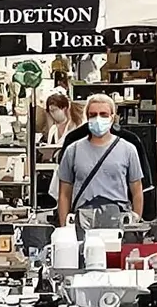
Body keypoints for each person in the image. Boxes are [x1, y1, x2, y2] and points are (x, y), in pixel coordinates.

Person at [54, 93, 145, 229]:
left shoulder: (128, 149)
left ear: (112, 117)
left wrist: (134, 223)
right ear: (87, 117)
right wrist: (64, 229)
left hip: (118, 219)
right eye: (93, 115)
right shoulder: (73, 150)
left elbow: (137, 191)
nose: (98, 118)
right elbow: (64, 194)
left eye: (103, 114)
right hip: (83, 220)